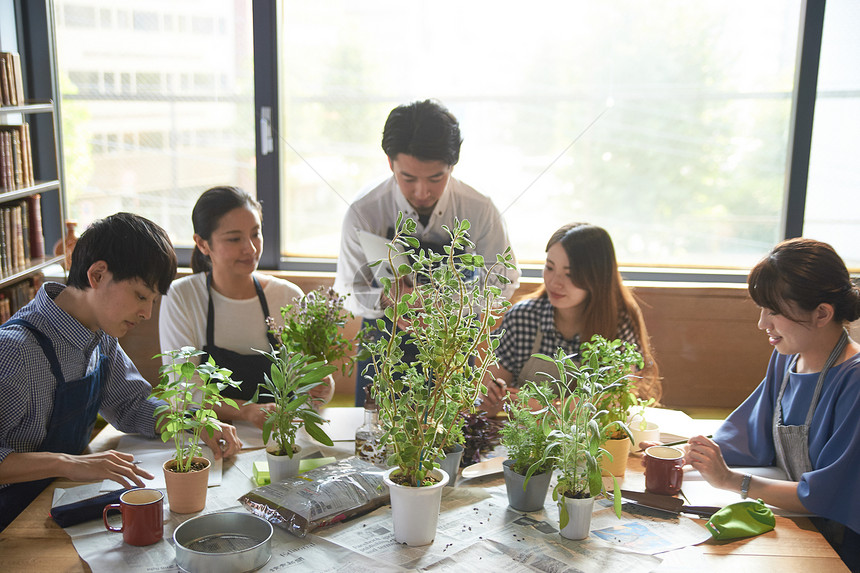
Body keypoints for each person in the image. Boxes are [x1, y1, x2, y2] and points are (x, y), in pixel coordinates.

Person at [0, 212, 242, 531]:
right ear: (98, 275)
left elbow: (132, 406)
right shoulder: (14, 351)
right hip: (13, 520)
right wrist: (68, 463)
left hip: (57, 502)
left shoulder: (101, 335)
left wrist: (195, 421)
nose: (146, 313)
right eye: (141, 296)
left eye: (153, 300)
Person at [683, 238, 860, 569]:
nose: (763, 324)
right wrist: (690, 454)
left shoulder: (854, 381)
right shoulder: (787, 360)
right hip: (802, 527)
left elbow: (825, 495)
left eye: (774, 311)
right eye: (762, 310)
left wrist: (731, 481)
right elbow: (749, 436)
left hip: (843, 548)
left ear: (822, 313)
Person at [333, 99, 520, 406]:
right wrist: (385, 298)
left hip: (452, 351)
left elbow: (505, 280)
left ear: (452, 166)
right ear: (390, 163)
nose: (422, 192)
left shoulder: (480, 209)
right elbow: (346, 291)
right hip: (385, 350)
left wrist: (456, 302)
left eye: (436, 178)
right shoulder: (364, 210)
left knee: (452, 437)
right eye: (408, 178)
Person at [159, 187, 332, 429]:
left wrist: (321, 386)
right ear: (202, 243)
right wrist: (247, 411)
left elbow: (309, 382)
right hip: (209, 437)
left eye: (255, 234)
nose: (250, 249)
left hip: (284, 435)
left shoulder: (288, 296)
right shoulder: (182, 297)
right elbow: (183, 388)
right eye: (234, 239)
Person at [482, 223, 659, 415]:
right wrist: (493, 392)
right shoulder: (523, 317)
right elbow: (493, 386)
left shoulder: (619, 322)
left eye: (570, 274)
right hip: (524, 435)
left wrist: (550, 408)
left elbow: (616, 396)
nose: (555, 282)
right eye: (550, 267)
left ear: (596, 277)